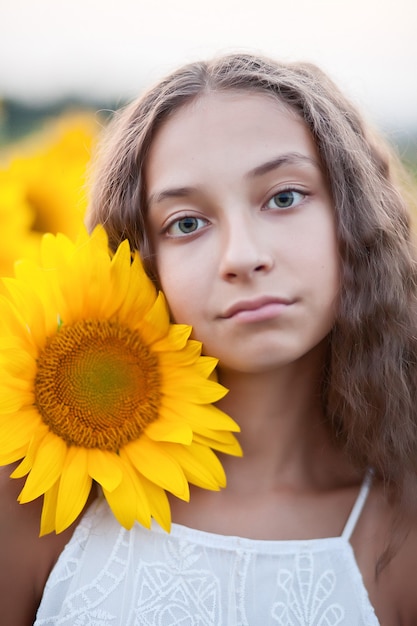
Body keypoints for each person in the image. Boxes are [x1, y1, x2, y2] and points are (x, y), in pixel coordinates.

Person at [1, 52, 417, 625]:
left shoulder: (400, 526)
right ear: (139, 257)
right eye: (186, 223)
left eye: (284, 197)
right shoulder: (42, 498)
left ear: (357, 214)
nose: (243, 257)